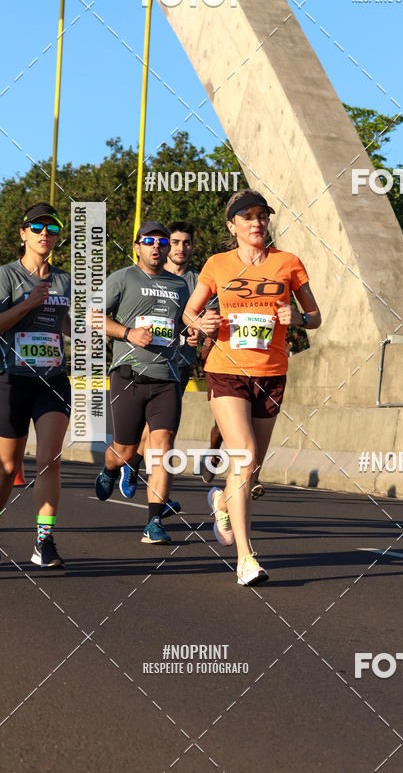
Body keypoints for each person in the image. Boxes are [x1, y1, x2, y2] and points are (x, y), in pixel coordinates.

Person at [185, 189, 321, 585]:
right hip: (226, 369)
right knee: (243, 454)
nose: (257, 223)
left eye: (262, 216)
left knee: (252, 468)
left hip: (271, 371)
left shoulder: (288, 263)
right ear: (232, 226)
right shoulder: (217, 264)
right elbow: (191, 311)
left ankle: (222, 502)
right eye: (247, 217)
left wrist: (296, 318)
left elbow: (314, 316)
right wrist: (201, 324)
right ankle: (246, 559)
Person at [94, 221, 198, 544]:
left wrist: (193, 333)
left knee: (162, 449)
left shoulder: (180, 287)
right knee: (124, 450)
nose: (156, 246)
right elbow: (93, 317)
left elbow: (185, 323)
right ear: (137, 246)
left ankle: (153, 521)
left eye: (161, 241)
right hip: (128, 375)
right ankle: (111, 469)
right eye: (149, 241)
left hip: (167, 378)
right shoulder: (123, 278)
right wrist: (128, 334)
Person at [0, 203, 71, 568]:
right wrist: (28, 304)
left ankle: (44, 542)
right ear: (23, 233)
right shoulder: (6, 276)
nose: (46, 234)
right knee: (7, 466)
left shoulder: (65, 280)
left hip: (52, 381)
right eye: (38, 227)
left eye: (53, 228)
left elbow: (71, 327)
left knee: (49, 460)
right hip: (11, 380)